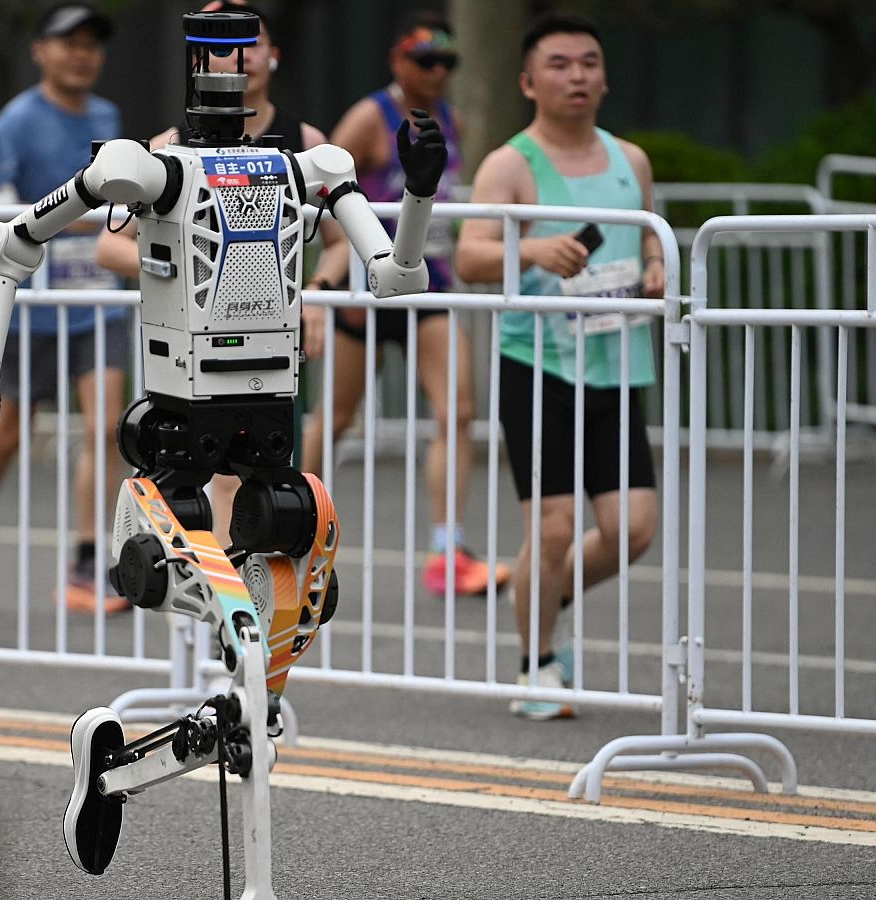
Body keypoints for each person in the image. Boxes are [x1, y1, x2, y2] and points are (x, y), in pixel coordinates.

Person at [455, 13, 662, 719]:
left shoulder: (629, 161)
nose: (576, 76)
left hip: (617, 362)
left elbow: (652, 243)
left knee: (634, 528)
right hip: (538, 363)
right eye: (560, 64)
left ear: (604, 77)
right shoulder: (510, 164)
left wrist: (660, 268)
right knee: (552, 527)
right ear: (527, 81)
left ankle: (538, 594)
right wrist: (536, 251)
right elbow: (469, 255)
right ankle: (536, 666)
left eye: (588, 63)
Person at [95, 0, 339, 546]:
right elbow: (109, 249)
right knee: (199, 483)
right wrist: (176, 272)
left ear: (274, 55)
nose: (238, 59)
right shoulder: (170, 152)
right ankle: (215, 593)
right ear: (198, 63)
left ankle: (252, 600)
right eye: (219, 46)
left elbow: (341, 244)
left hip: (268, 340)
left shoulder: (307, 145)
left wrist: (315, 293)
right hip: (193, 347)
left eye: (249, 43)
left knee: (272, 483)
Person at [300, 13, 508, 598]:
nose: (438, 72)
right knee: (335, 419)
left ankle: (448, 549)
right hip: (370, 287)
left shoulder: (453, 120)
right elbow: (324, 188)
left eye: (448, 63)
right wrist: (339, 273)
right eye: (426, 61)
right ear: (397, 61)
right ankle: (294, 525)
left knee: (458, 410)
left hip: (429, 285)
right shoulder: (371, 116)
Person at [0, 2, 127, 614]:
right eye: (68, 42)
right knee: (6, 434)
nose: (82, 53)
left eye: (91, 43)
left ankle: (88, 563)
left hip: (98, 301)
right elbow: (1, 205)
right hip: (33, 305)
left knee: (105, 430)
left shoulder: (108, 115)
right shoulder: (15, 121)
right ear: (40, 50)